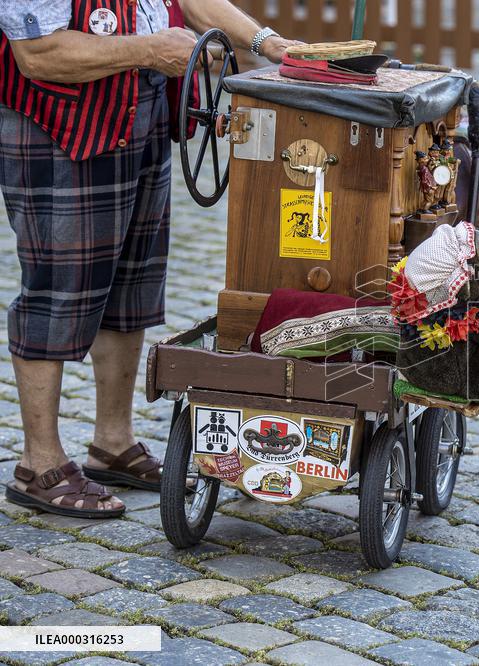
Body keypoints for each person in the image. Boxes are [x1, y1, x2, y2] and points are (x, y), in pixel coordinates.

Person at [0, 0, 299, 518]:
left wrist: (268, 44)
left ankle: (112, 444)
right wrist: (151, 49)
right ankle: (38, 464)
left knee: (131, 283)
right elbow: (37, 54)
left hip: (145, 107)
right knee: (58, 287)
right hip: (59, 121)